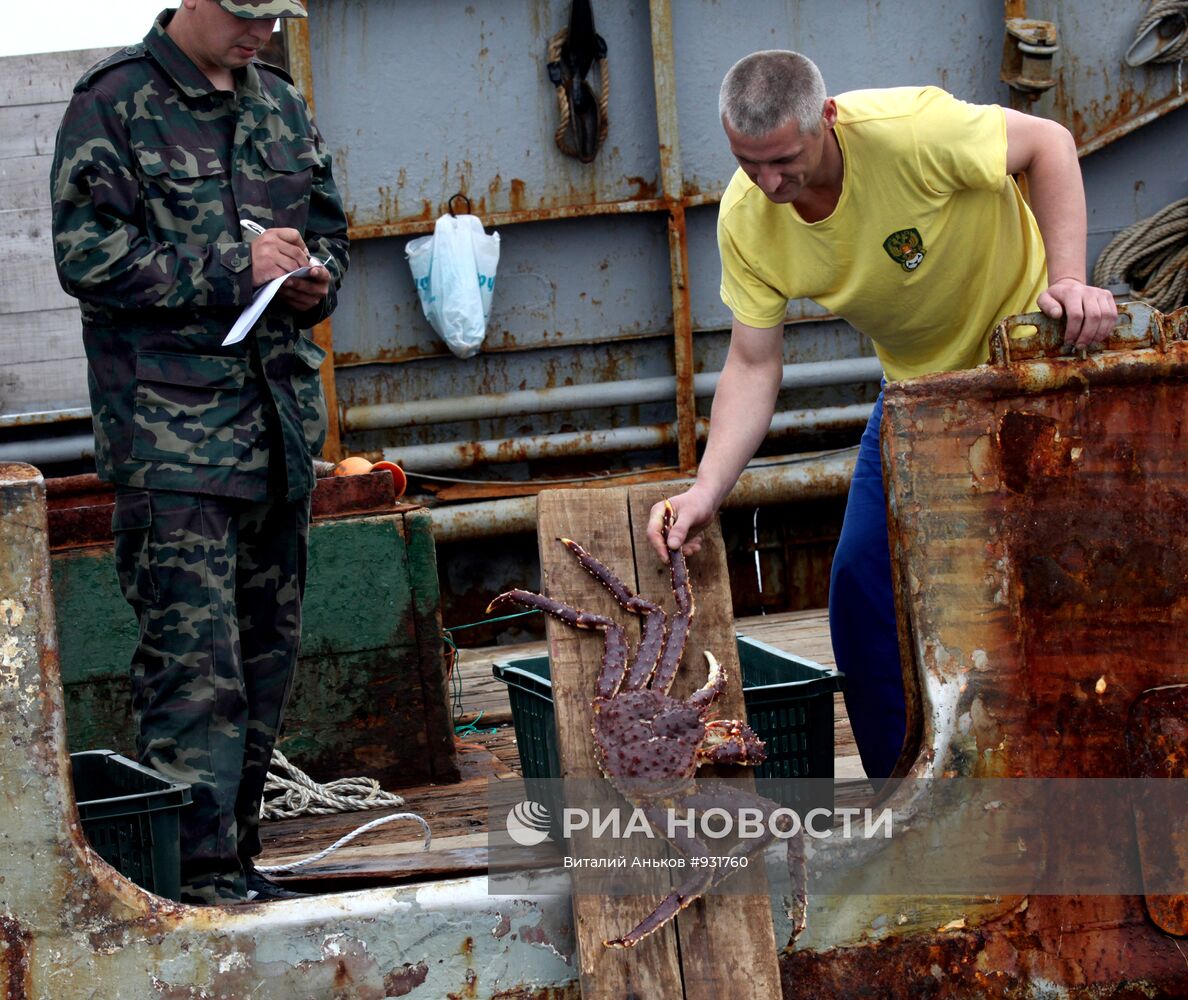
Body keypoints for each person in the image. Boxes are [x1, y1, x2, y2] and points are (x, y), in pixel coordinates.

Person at [647, 50, 1116, 782]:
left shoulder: (912, 132)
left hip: (1026, 373)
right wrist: (706, 489)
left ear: (825, 120)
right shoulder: (748, 221)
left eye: (784, 160)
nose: (769, 183)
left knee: (1071, 580)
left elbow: (1048, 144)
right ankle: (900, 799)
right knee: (863, 588)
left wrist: (1068, 282)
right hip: (918, 400)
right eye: (748, 163)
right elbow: (752, 363)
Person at [51, 0, 349, 904]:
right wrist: (230, 269)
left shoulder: (280, 105)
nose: (259, 32)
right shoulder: (115, 101)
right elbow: (86, 256)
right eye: (245, 14)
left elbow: (329, 226)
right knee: (194, 669)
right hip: (173, 444)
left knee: (265, 659)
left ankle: (238, 861)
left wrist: (315, 281)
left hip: (275, 435)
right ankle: (190, 881)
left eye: (273, 15)